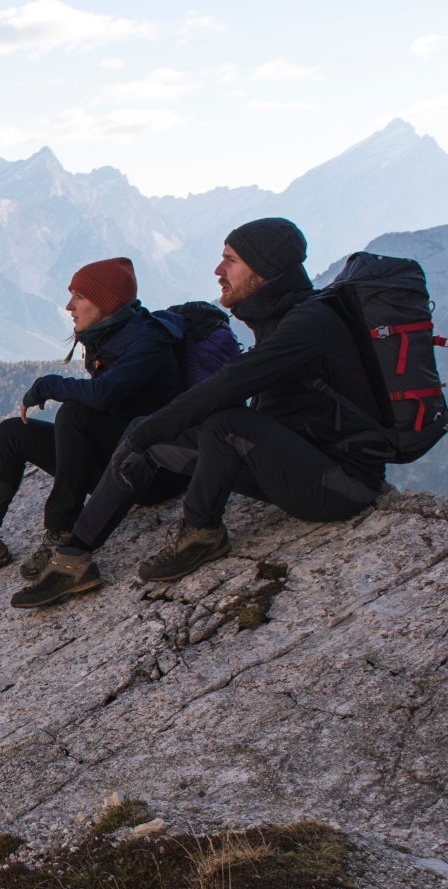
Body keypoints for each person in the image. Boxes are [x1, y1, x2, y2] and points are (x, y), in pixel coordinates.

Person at [24, 217, 384, 604]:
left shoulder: (308, 324)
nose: (218, 270)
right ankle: (74, 556)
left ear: (263, 268)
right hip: (292, 461)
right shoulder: (279, 316)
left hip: (340, 484)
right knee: (149, 433)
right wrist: (143, 433)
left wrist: (149, 430)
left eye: (230, 260)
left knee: (216, 420)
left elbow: (226, 386)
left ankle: (202, 532)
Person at [0, 257, 184, 601]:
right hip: (118, 460)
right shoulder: (107, 336)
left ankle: (62, 532)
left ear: (107, 302)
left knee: (74, 414)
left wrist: (49, 385)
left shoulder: (148, 341)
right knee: (12, 433)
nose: (69, 306)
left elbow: (106, 394)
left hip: (153, 474)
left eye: (79, 296)